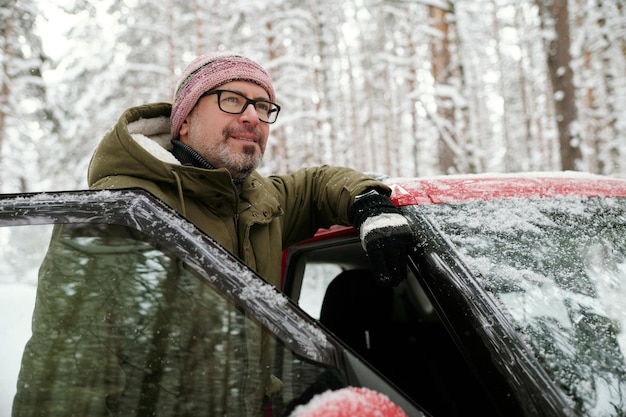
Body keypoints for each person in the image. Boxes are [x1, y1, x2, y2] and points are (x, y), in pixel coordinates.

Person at [87, 51, 413, 288]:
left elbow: (315, 186)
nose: (252, 117)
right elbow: (82, 364)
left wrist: (369, 203)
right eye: (231, 100)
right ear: (184, 120)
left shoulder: (257, 203)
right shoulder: (127, 208)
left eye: (262, 106)